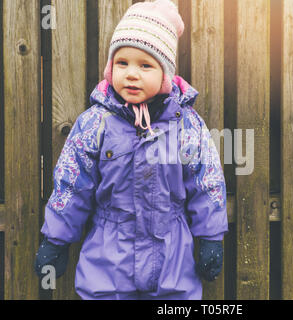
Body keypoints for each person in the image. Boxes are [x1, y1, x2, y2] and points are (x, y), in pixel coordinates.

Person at [34, 0, 228, 300]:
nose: (132, 74)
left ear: (165, 74)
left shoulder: (185, 124)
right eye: (122, 63)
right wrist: (56, 239)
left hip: (172, 255)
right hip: (109, 253)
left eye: (145, 65)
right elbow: (72, 183)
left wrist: (211, 237)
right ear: (111, 67)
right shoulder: (96, 123)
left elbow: (207, 180)